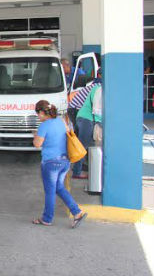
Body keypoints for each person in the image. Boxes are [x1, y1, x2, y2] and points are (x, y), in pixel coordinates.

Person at [32, 100, 87, 228]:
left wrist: (35, 135)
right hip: (64, 162)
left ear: (42, 112)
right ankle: (77, 213)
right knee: (59, 188)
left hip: (51, 163)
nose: (38, 117)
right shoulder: (61, 121)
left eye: (38, 114)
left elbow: (37, 144)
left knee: (50, 191)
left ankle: (47, 218)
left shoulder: (44, 126)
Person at [72, 76, 103, 180]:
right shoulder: (99, 89)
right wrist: (100, 122)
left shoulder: (97, 87)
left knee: (85, 145)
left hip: (82, 117)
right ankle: (77, 172)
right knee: (83, 146)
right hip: (87, 119)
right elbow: (97, 109)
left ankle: (81, 168)